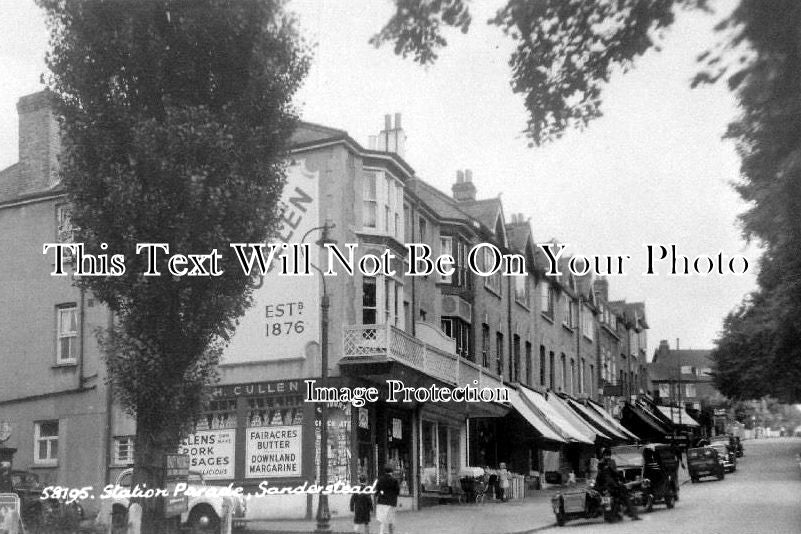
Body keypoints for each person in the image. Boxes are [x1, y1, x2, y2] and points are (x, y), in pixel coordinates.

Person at [595, 448, 640, 521]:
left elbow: (614, 473)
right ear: (603, 455)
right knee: (623, 496)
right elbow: (608, 475)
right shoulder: (602, 464)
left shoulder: (608, 463)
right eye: (606, 455)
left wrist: (622, 479)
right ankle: (632, 514)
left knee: (623, 496)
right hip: (609, 486)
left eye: (608, 455)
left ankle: (631, 514)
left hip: (610, 486)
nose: (608, 457)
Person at [375, 465, 400, 534]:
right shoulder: (394, 480)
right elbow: (397, 492)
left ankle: (381, 532)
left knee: (382, 520)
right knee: (391, 520)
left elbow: (377, 490)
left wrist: (378, 495)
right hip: (391, 502)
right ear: (391, 472)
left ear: (385, 472)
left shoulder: (380, 480)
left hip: (381, 502)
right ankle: (391, 533)